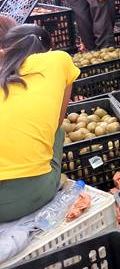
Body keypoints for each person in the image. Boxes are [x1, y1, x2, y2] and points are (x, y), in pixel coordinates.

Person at [0, 24, 80, 222]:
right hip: (29, 197)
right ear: (49, 50)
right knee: (58, 132)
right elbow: (57, 122)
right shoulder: (60, 59)